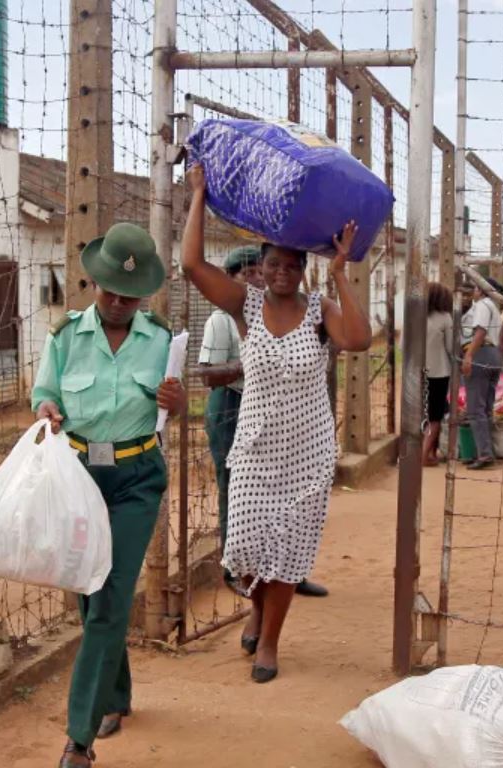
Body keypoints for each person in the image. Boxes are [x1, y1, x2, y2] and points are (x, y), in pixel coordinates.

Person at [182, 164, 371, 684]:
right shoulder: (246, 306)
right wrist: (199, 194)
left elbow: (359, 340)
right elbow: (192, 264)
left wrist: (338, 274)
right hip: (255, 449)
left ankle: (269, 640)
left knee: (286, 551)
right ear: (261, 270)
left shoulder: (319, 310)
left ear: (302, 270)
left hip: (306, 453)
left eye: (293, 264)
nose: (283, 271)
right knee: (243, 544)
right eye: (274, 264)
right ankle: (257, 606)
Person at [32, 223, 186, 766]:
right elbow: (45, 394)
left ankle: (79, 739)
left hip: (136, 477)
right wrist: (46, 410)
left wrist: (178, 399)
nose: (119, 303)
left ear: (145, 294)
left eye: (130, 294)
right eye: (109, 291)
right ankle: (115, 696)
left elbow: (172, 410)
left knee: (112, 595)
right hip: (78, 474)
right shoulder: (65, 336)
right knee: (88, 594)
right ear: (93, 282)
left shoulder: (164, 340)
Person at [199, 247, 328, 598]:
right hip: (232, 405)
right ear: (231, 278)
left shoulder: (299, 310)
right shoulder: (224, 317)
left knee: (287, 505)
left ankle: (287, 575)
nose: (256, 278)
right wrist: (262, 362)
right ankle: (236, 569)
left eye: (257, 271)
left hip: (281, 416)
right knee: (237, 490)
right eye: (248, 272)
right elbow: (207, 376)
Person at [461, 277, 503, 470]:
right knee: (486, 408)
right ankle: (487, 451)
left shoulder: (482, 305)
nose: (474, 291)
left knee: (475, 409)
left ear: (483, 290)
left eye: (477, 287)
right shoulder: (494, 307)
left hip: (481, 353)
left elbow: (480, 331)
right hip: (493, 355)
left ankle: (484, 454)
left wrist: (469, 355)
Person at [424, 282, 454, 467]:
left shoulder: (414, 317)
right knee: (435, 416)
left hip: (415, 372)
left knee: (419, 414)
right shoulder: (445, 318)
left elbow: (403, 345)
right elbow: (451, 348)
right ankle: (423, 455)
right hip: (438, 373)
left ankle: (426, 453)